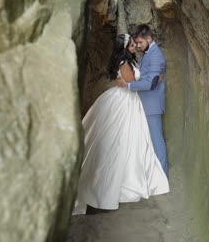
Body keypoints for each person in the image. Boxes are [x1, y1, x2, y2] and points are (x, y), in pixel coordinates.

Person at [72, 34, 169, 215]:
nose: (135, 47)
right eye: (132, 45)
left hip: (128, 98)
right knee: (123, 139)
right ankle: (115, 182)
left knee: (131, 139)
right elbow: (132, 83)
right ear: (125, 48)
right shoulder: (125, 63)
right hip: (126, 101)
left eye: (135, 44)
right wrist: (154, 80)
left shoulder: (128, 61)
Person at [116, 24, 168, 175]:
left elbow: (150, 84)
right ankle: (154, 174)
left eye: (140, 42)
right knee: (150, 140)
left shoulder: (156, 55)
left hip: (152, 105)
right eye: (136, 43)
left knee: (157, 140)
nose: (138, 46)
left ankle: (163, 175)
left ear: (149, 38)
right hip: (145, 103)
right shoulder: (149, 53)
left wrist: (128, 85)